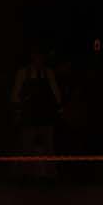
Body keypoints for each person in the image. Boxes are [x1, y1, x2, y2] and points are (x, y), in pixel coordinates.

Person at [10, 49, 62, 179]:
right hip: (29, 114)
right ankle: (24, 175)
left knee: (49, 146)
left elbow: (56, 94)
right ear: (31, 57)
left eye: (40, 56)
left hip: (45, 114)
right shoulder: (23, 73)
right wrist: (18, 111)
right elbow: (15, 95)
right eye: (35, 55)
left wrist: (58, 108)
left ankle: (51, 174)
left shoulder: (48, 73)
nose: (38, 58)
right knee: (26, 146)